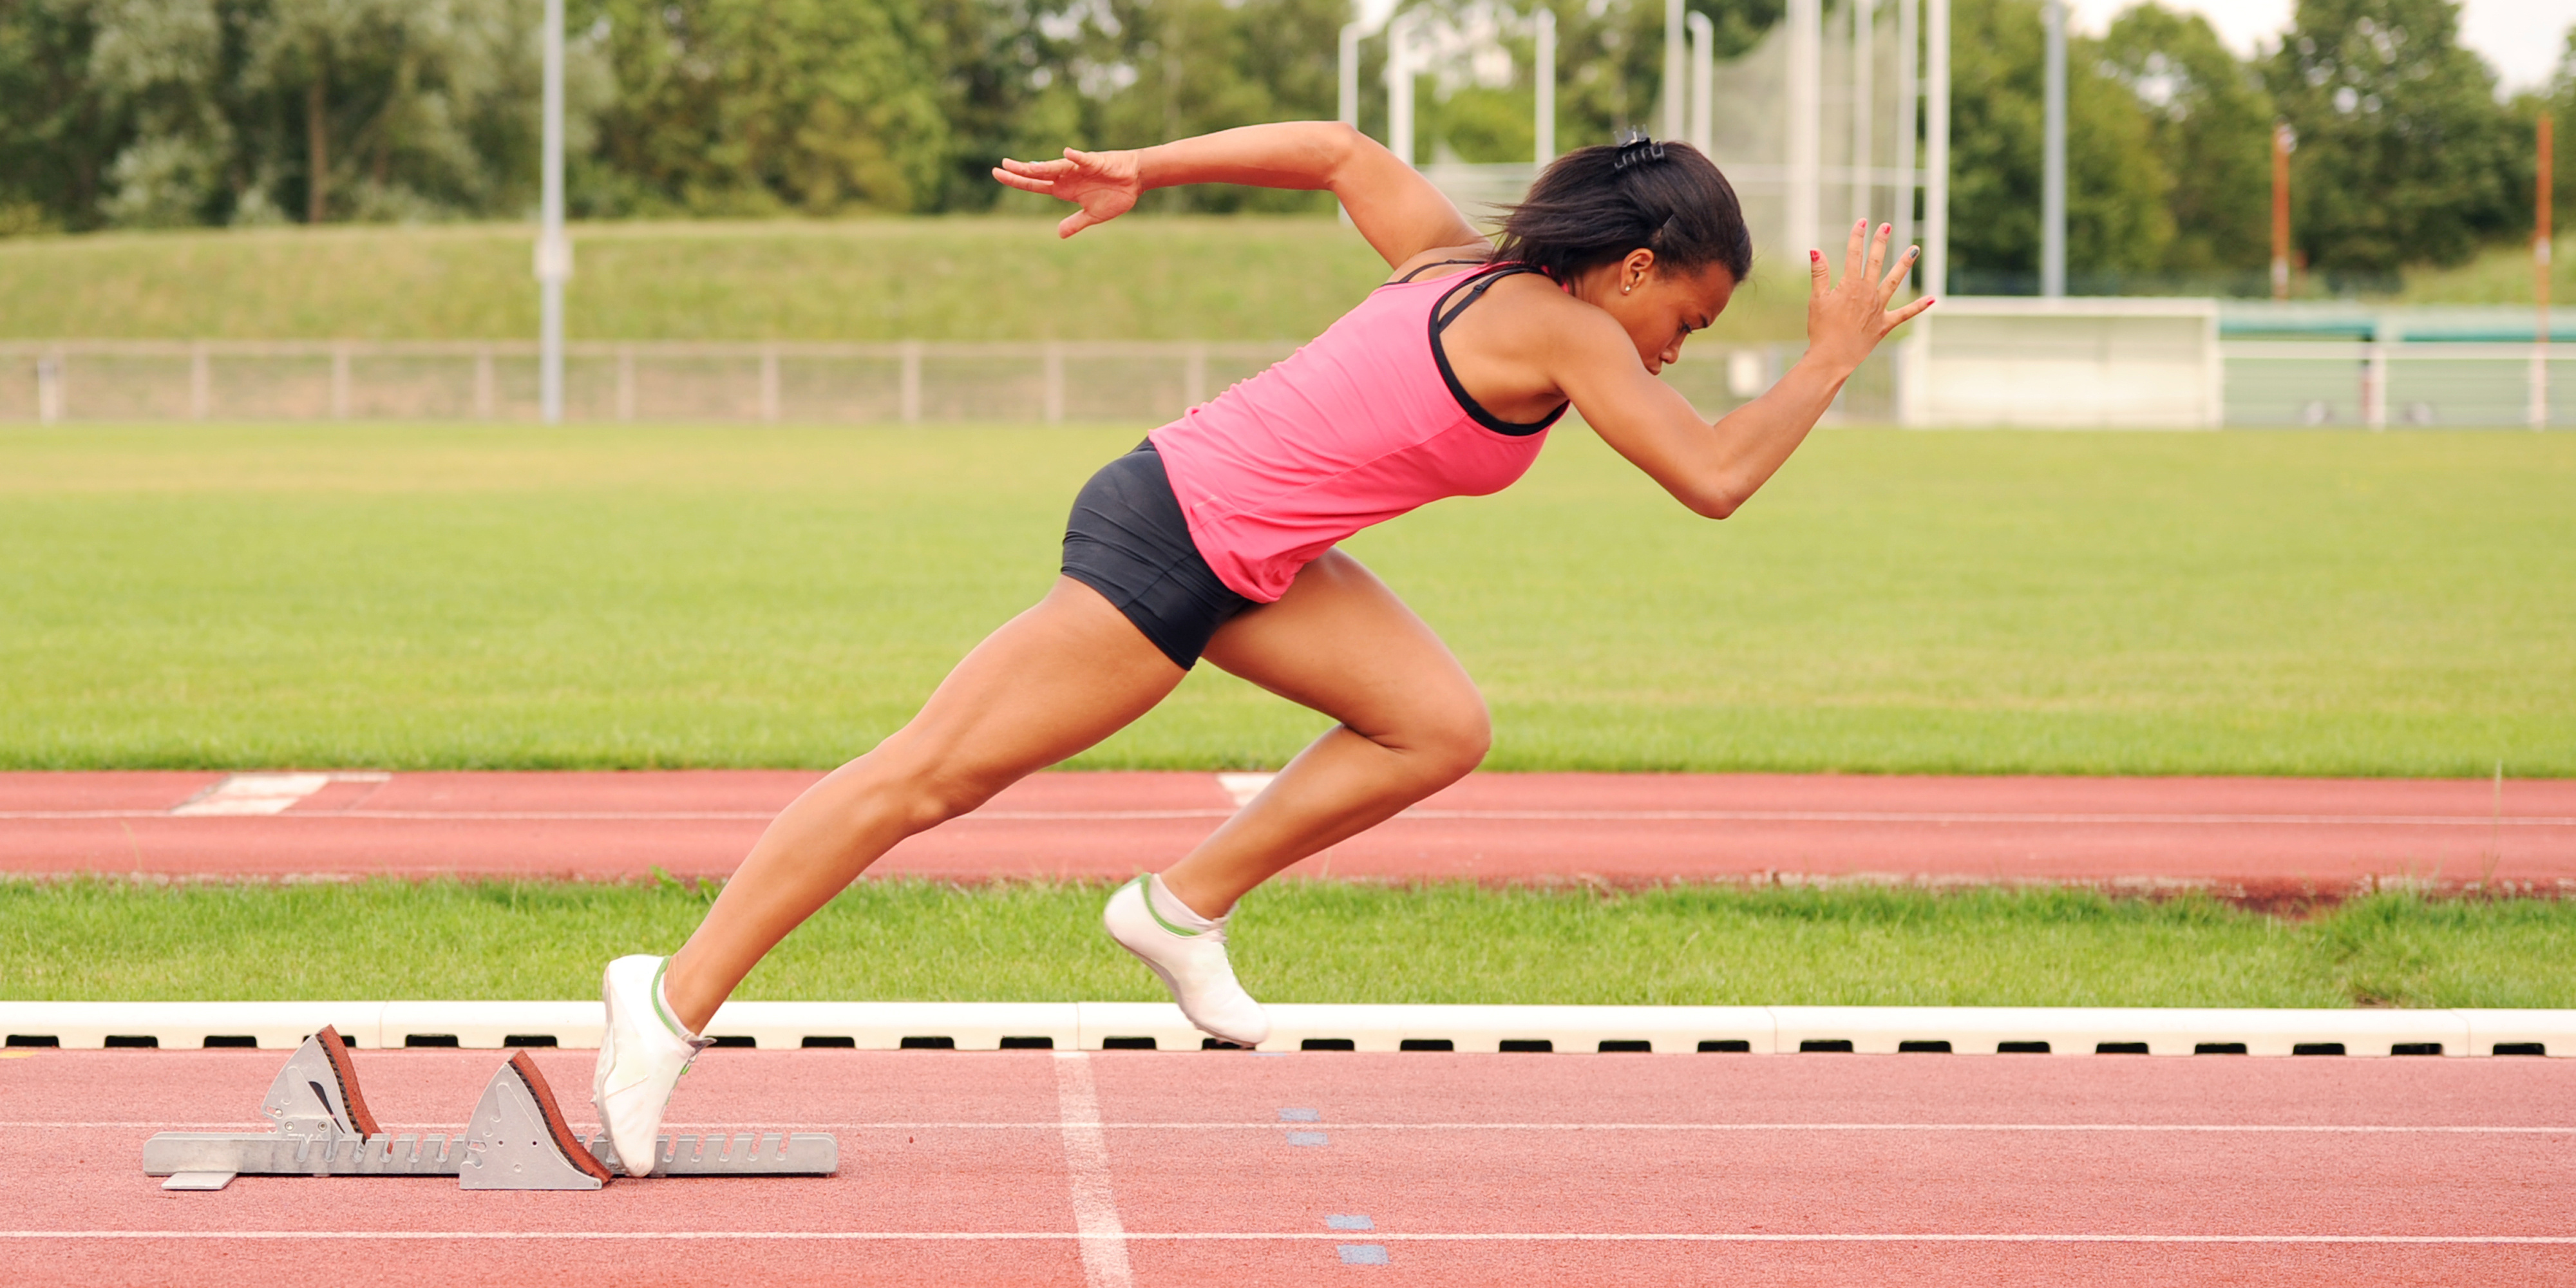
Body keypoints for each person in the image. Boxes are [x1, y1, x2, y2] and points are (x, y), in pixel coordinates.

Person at [591, 121, 1932, 1175]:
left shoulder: (1452, 260)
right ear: (1633, 267)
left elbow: (1339, 151)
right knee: (926, 777)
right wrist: (1824, 360)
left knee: (1434, 725)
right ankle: (667, 997)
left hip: (1254, 556)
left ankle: (1176, 906)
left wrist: (1142, 170)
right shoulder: (1564, 326)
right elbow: (1709, 479)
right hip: (1173, 537)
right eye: (1685, 323)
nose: (1676, 354)